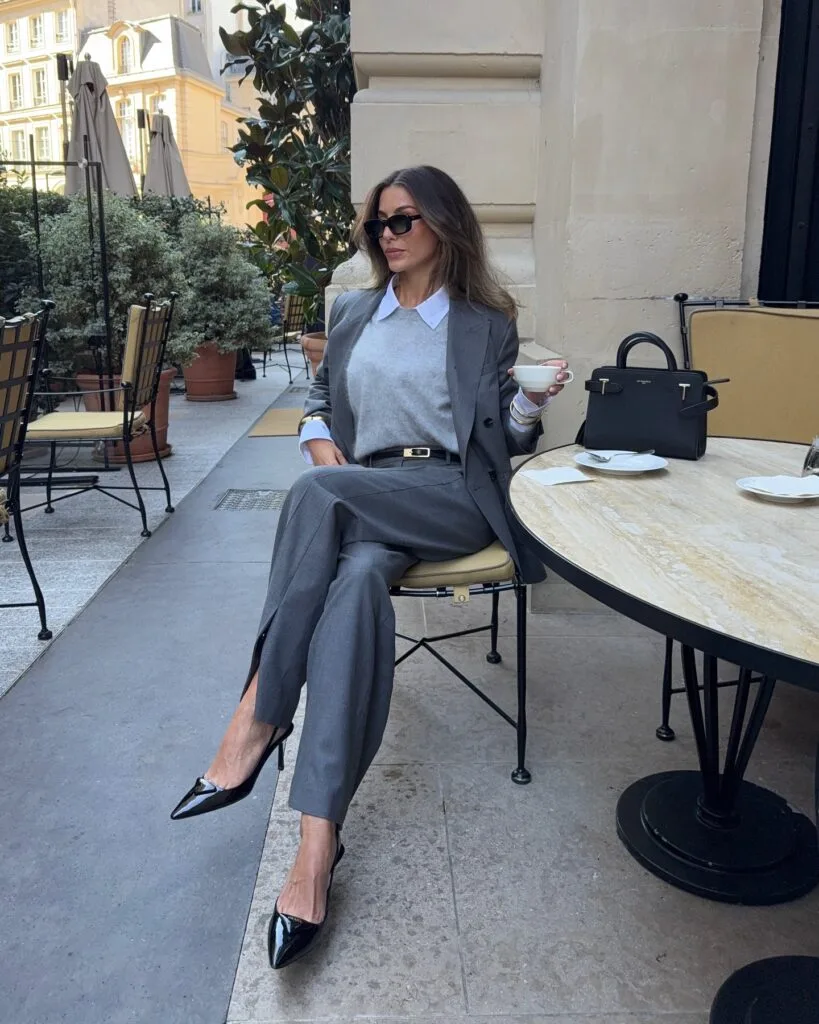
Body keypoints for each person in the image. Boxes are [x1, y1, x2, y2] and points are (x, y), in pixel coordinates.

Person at [170, 165, 570, 969]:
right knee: (353, 584)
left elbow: (506, 435)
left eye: (403, 221)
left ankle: (257, 715)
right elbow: (318, 399)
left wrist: (529, 404)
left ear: (444, 229)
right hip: (365, 488)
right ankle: (317, 849)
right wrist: (324, 446)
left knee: (321, 497)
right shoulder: (353, 314)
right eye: (378, 224)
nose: (386, 236)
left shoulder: (484, 321)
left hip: (451, 493)